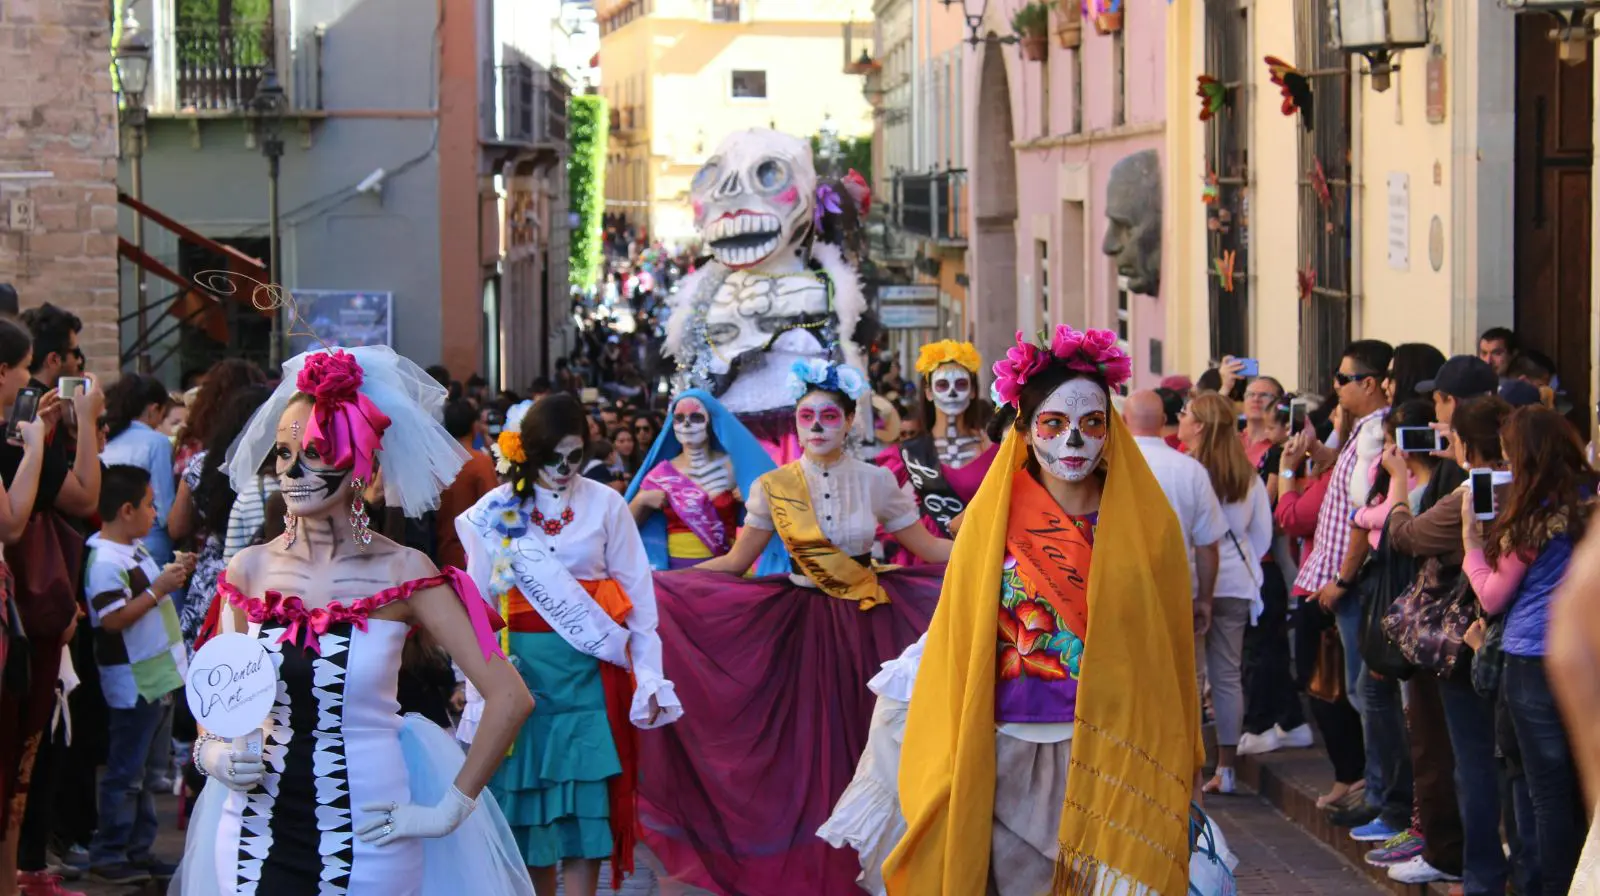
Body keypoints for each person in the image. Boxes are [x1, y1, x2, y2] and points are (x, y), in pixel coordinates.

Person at [175, 346, 536, 896]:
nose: (292, 471)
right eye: (284, 453)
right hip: (252, 835)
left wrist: (446, 811)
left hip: (370, 837)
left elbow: (509, 698)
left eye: (315, 453)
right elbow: (219, 703)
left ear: (358, 463)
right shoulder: (247, 571)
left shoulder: (404, 571)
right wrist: (213, 753)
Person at [881, 326, 1200, 895]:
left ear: (1110, 431)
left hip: (1112, 746)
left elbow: (1169, 643)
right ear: (1025, 432)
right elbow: (959, 630)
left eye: (1091, 423)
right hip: (1008, 741)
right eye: (1054, 424)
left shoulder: (1149, 526)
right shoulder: (990, 520)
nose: (1073, 440)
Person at [637, 361, 950, 896]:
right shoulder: (773, 486)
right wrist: (659, 583)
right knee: (803, 749)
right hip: (799, 628)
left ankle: (878, 862)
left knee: (866, 740)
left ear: (850, 420)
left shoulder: (877, 481)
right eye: (807, 416)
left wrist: (995, 547)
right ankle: (815, 864)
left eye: (830, 415)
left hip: (869, 625)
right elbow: (736, 563)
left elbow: (928, 550)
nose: (817, 426)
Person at [455, 392, 680, 896]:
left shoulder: (607, 504)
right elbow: (477, 603)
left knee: (585, 813)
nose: (563, 467)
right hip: (521, 678)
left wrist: (648, 672)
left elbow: (639, 597)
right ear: (528, 451)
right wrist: (472, 685)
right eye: (551, 455)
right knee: (530, 817)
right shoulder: (494, 511)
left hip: (588, 674)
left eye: (575, 456)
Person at [1463, 405, 1594, 894]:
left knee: (1548, 791)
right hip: (1587, 653)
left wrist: (1470, 542)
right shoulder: (1589, 502)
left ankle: (1555, 886)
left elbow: (1493, 596)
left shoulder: (1535, 516)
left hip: (1532, 659)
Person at [83, 465, 196, 885]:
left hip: (158, 677)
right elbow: (112, 621)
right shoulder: (103, 561)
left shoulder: (134, 548)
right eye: (150, 504)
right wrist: (159, 589)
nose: (156, 511)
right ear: (126, 509)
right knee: (126, 774)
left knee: (147, 775)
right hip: (134, 683)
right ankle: (110, 852)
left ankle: (137, 849)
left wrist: (170, 575)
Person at [1179, 392, 1273, 795]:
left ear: (1198, 426)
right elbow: (1262, 536)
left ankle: (1191, 767)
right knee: (1227, 675)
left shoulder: (1187, 473)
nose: (1179, 419)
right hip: (1236, 583)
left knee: (1190, 675)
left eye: (1185, 414)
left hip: (1195, 582)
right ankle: (1227, 767)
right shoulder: (1247, 474)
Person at [625, 390, 786, 573]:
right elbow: (622, 530)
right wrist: (641, 501)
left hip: (727, 569)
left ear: (710, 421)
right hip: (678, 572)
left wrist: (752, 498)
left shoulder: (733, 468)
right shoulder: (661, 474)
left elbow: (776, 509)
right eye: (679, 418)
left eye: (695, 417)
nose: (686, 424)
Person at [169, 385, 273, 644]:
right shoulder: (278, 471)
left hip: (213, 581)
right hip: (266, 579)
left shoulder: (201, 465)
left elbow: (176, 527)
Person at [876, 341, 997, 557]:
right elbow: (874, 509)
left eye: (961, 384)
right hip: (926, 562)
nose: (951, 393)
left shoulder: (997, 453)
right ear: (929, 392)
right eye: (942, 385)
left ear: (973, 391)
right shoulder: (905, 454)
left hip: (983, 557)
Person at [1123, 391, 1227, 638]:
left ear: (1124, 421)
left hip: (1120, 592)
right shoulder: (1191, 470)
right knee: (1182, 672)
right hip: (1175, 592)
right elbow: (1207, 546)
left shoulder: (1107, 468)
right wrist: (1204, 599)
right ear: (1162, 421)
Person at [101, 375, 177, 566]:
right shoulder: (156, 442)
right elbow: (165, 509)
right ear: (154, 409)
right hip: (149, 543)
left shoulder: (106, 437)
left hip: (106, 542)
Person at [435, 399, 499, 572]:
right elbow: (494, 510)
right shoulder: (480, 462)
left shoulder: (436, 462)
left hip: (441, 553)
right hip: (472, 556)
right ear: (474, 426)